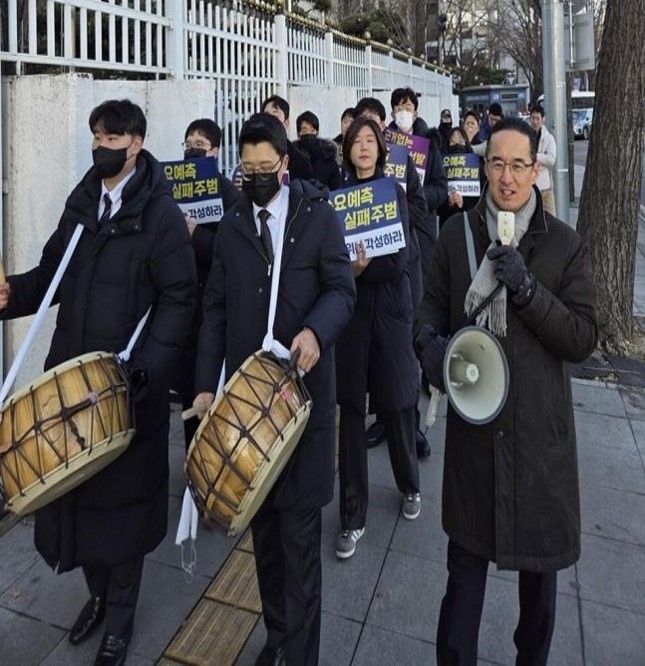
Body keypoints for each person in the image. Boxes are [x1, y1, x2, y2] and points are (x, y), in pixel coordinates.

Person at [0, 99, 197, 665]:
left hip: (126, 389)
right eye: (94, 134)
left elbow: (178, 300)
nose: (99, 144)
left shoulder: (160, 215)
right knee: (74, 504)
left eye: (110, 136)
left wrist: (144, 372)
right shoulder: (84, 201)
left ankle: (120, 618)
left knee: (125, 512)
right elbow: (53, 273)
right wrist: (13, 293)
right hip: (71, 385)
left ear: (135, 143)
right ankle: (97, 594)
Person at [414, 116, 597, 665]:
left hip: (541, 445)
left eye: (520, 165)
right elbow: (426, 316)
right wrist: (435, 357)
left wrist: (526, 287)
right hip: (475, 441)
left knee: (539, 597)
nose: (508, 178)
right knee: (462, 587)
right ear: (484, 167)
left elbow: (582, 336)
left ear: (535, 171)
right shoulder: (456, 235)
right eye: (497, 163)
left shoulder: (563, 245)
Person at [192, 113, 355, 665]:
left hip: (302, 410)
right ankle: (278, 635)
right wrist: (204, 388)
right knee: (263, 541)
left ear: (285, 164)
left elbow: (341, 289)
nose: (258, 177)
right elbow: (214, 306)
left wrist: (315, 329)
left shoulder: (317, 217)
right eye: (248, 169)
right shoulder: (234, 224)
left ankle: (302, 653)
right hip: (244, 413)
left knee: (300, 544)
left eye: (267, 168)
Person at [335, 117, 421, 560]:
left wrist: (360, 272)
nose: (364, 148)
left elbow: (398, 261)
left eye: (371, 141)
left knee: (398, 403)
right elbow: (330, 264)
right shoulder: (336, 201)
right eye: (357, 142)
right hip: (350, 322)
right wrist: (348, 272)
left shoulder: (395, 195)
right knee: (350, 413)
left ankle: (409, 484)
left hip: (388, 316)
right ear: (347, 150)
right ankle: (352, 515)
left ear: (381, 151)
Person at [176, 118, 240, 450]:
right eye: (187, 144)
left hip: (212, 309)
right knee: (189, 390)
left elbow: (233, 252)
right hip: (180, 305)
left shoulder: (228, 195)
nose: (191, 150)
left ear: (214, 152)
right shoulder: (169, 190)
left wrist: (195, 235)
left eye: (199, 145)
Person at [260, 94, 314, 181]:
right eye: (266, 116)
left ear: (286, 123)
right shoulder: (254, 156)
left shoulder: (301, 162)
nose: (270, 121)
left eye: (275, 116)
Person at [437, 127, 479, 228]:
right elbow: (436, 204)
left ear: (466, 143)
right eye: (452, 142)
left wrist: (463, 204)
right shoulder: (440, 165)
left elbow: (479, 200)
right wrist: (449, 203)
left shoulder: (476, 165)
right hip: (446, 224)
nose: (457, 145)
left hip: (469, 223)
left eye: (460, 141)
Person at [294, 110, 342, 190]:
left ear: (317, 132)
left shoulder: (328, 157)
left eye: (312, 130)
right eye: (305, 130)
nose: (309, 133)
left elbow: (336, 189)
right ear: (299, 133)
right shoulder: (292, 159)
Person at [529, 105, 557, 215]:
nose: (535, 122)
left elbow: (551, 159)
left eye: (537, 119)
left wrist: (535, 156)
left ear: (543, 119)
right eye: (533, 118)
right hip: (528, 185)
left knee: (549, 217)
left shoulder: (548, 137)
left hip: (545, 186)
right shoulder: (525, 135)